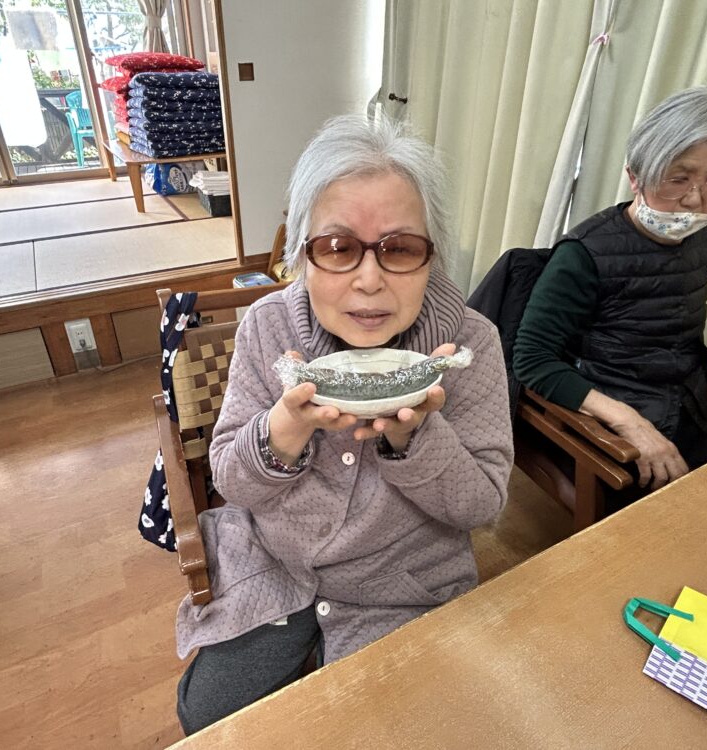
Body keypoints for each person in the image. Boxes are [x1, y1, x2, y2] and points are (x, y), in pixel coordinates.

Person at [174, 115, 514, 733]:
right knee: (211, 718)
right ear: (301, 255)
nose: (369, 279)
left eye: (400, 248)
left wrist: (414, 436)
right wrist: (283, 429)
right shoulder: (267, 327)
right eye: (337, 248)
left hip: (403, 585)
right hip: (274, 565)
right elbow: (232, 480)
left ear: (432, 255)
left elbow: (481, 506)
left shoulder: (471, 345)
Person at [513, 84, 707, 495]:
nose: (694, 199)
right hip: (603, 424)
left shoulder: (704, 239)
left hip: (687, 405)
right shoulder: (583, 254)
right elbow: (532, 360)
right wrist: (630, 422)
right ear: (634, 176)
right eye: (677, 178)